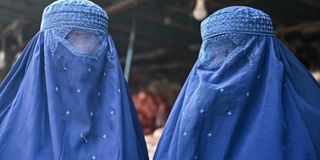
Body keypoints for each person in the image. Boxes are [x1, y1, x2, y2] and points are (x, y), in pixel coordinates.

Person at [154, 6, 320, 160]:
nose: (223, 65)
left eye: (233, 53)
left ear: (264, 52)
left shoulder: (306, 113)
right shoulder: (195, 107)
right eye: (214, 55)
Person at [0, 0, 148, 159]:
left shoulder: (126, 129)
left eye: (91, 43)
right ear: (42, 46)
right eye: (69, 40)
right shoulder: (6, 130)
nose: (80, 52)